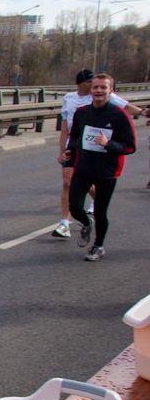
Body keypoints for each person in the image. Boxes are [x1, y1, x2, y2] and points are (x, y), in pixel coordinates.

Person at [53, 69, 148, 238]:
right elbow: (67, 128)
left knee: (95, 196)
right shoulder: (72, 101)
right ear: (82, 84)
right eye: (91, 83)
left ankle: (97, 214)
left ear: (109, 90)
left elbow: (126, 108)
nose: (96, 88)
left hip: (101, 158)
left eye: (101, 86)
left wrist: (143, 112)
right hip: (77, 149)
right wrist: (64, 151)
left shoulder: (109, 101)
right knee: (67, 183)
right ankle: (65, 223)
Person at [63, 73, 136, 261]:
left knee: (101, 212)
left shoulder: (119, 115)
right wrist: (69, 153)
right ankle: (86, 223)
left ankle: (98, 246)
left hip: (107, 171)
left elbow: (130, 146)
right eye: (95, 87)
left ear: (111, 91)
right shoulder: (82, 112)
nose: (99, 90)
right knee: (75, 207)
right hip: (84, 168)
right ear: (91, 90)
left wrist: (108, 144)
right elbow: (75, 137)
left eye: (103, 87)